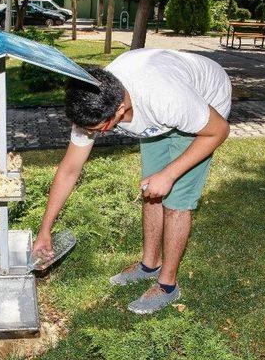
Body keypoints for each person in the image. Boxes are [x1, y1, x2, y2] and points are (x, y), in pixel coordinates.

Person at [32, 48, 231, 314]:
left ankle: (168, 285)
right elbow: (69, 169)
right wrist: (45, 229)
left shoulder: (166, 98)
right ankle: (149, 264)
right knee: (151, 190)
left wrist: (169, 174)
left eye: (99, 130)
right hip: (159, 113)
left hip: (204, 110)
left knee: (176, 200)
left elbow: (219, 131)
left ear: (120, 109)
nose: (95, 135)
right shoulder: (95, 100)